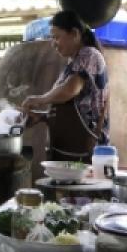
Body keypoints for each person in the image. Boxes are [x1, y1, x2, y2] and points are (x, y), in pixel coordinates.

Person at [21, 11, 111, 159]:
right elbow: (72, 108)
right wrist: (43, 117)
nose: (53, 43)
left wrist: (39, 99)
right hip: (69, 151)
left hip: (86, 153)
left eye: (57, 37)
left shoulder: (89, 55)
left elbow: (70, 90)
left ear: (75, 33)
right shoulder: (73, 62)